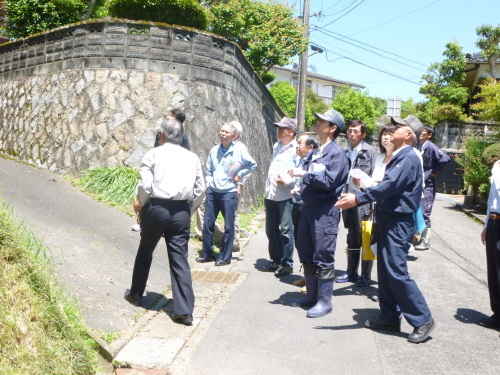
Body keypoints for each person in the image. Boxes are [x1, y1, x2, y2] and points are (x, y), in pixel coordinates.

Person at [336, 117, 436, 343]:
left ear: (408, 134)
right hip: (388, 218)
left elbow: (389, 187)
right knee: (386, 271)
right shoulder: (400, 156)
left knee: (397, 271)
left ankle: (422, 319)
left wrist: (358, 199)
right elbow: (384, 185)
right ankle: (390, 316)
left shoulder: (408, 157)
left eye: (397, 128)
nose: (390, 133)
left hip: (398, 222)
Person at [124, 118, 205, 326]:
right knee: (179, 259)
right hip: (181, 211)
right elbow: (200, 190)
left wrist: (141, 204)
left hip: (157, 208)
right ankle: (184, 311)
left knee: (145, 251)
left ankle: (135, 294)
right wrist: (189, 209)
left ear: (161, 136)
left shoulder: (153, 154)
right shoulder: (192, 158)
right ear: (181, 137)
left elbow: (146, 186)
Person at [288, 109, 349, 318]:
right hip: (309, 207)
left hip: (325, 210)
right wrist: (301, 185)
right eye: (319, 120)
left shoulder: (337, 154)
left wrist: (305, 174)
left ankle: (325, 302)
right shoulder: (317, 152)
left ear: (333, 128)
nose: (318, 123)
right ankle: (311, 296)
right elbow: (312, 175)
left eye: (323, 121)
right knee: (306, 251)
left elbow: (330, 181)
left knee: (323, 254)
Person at [195, 123, 257, 266]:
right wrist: (209, 184)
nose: (222, 133)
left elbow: (252, 164)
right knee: (208, 224)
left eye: (226, 132)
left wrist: (239, 175)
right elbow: (209, 169)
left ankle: (225, 256)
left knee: (229, 226)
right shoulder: (214, 150)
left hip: (229, 192)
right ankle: (207, 253)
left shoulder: (239, 150)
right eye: (221, 131)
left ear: (234, 136)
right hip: (213, 191)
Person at [133, 109, 191, 232]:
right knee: (146, 192)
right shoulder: (161, 132)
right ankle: (141, 221)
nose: (167, 117)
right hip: (158, 169)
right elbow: (156, 148)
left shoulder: (182, 136)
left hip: (172, 173)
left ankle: (159, 226)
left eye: (170, 117)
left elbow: (186, 154)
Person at [335, 120, 378, 287]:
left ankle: (365, 276)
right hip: (347, 200)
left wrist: (372, 203)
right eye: (350, 131)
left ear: (363, 134)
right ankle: (351, 272)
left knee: (366, 238)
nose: (352, 134)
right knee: (351, 237)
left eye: (356, 131)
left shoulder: (371, 152)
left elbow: (375, 179)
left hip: (364, 202)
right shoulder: (346, 152)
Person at [261, 117, 298, 277]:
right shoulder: (277, 146)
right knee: (271, 230)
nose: (279, 130)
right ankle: (275, 260)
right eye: (278, 128)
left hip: (285, 195)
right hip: (271, 193)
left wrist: (288, 181)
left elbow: (301, 172)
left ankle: (287, 264)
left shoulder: (296, 148)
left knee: (286, 231)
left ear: (292, 131)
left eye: (283, 128)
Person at [413, 125, 450, 250]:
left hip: (428, 184)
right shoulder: (418, 146)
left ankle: (425, 240)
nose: (421, 134)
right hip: (419, 183)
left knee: (425, 210)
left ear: (429, 135)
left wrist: (435, 172)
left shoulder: (431, 147)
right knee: (415, 209)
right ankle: (415, 237)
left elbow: (445, 158)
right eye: (420, 132)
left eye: (424, 132)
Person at [290, 134, 319, 290]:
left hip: (307, 206)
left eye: (299, 143)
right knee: (300, 242)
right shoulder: (300, 161)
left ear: (310, 147)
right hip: (296, 203)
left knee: (310, 243)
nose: (297, 145)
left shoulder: (315, 163)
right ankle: (306, 275)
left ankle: (312, 281)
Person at [477, 157, 500, 330]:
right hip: (494, 221)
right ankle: (497, 313)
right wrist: (486, 225)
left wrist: (496, 172)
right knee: (493, 270)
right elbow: (492, 198)